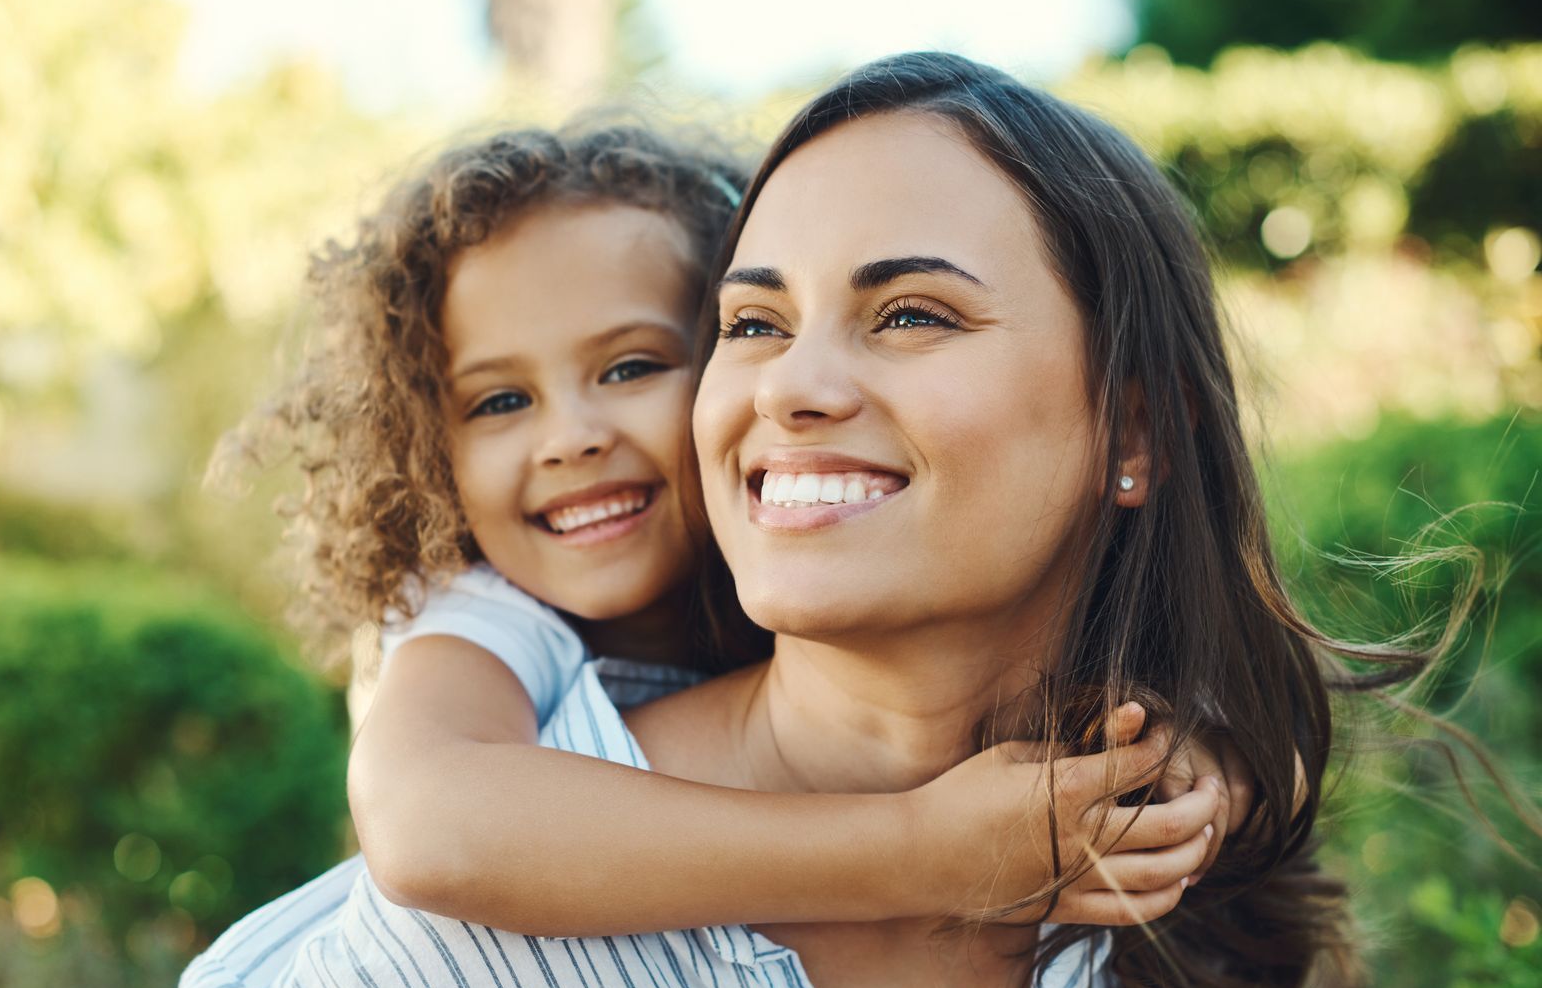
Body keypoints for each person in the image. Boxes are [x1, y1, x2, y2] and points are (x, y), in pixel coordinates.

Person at [135, 57, 1347, 988]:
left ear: (1136, 434)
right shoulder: (441, 971)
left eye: (912, 313)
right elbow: (427, 815)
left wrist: (1206, 781)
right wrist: (918, 849)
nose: (787, 387)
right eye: (757, 324)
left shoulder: (1136, 884)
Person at [231, 121, 1234, 945]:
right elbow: (429, 828)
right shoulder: (483, 620)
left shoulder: (811, 574)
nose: (571, 438)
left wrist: (1161, 768)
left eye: (629, 369)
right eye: (498, 400)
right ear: (427, 446)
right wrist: (921, 852)